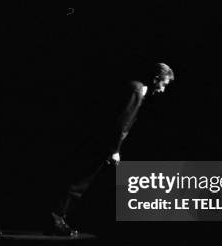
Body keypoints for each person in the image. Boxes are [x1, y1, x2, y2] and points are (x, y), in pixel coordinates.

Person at [45, 62, 175, 236]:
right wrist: (114, 150)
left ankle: (59, 218)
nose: (163, 89)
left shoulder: (138, 90)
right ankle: (56, 218)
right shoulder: (137, 90)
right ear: (155, 78)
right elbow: (121, 123)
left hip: (102, 143)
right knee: (80, 182)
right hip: (102, 144)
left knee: (81, 181)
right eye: (163, 84)